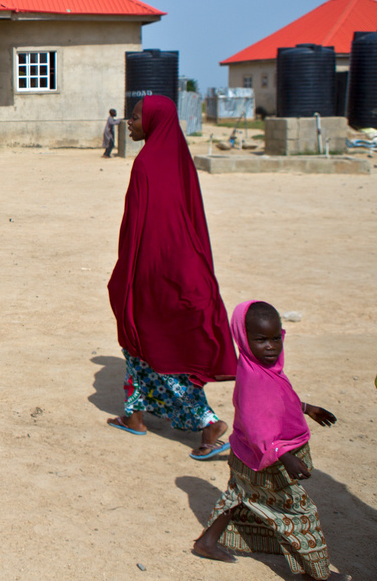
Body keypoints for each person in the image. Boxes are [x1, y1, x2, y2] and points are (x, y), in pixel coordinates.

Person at [106, 95, 237, 458]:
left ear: (153, 122)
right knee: (138, 347)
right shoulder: (177, 159)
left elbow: (141, 227)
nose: (129, 124)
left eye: (134, 118)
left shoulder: (147, 164)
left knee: (161, 348)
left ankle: (209, 426)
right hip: (179, 267)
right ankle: (134, 416)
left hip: (156, 272)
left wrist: (129, 272)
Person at [192, 301, 336, 578]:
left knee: (240, 494)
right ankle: (316, 575)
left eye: (274, 338)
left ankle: (207, 543)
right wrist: (285, 456)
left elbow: (277, 401)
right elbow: (259, 428)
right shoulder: (256, 381)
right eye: (260, 340)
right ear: (245, 339)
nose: (270, 346)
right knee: (298, 513)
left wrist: (306, 408)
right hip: (268, 459)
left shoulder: (259, 369)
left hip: (245, 454)